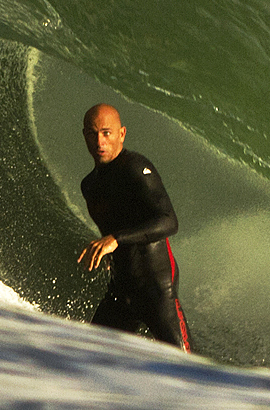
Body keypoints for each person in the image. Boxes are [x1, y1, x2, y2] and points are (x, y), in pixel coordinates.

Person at [77, 103, 192, 353]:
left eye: (106, 133)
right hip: (121, 291)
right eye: (92, 133)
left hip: (156, 290)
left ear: (122, 134)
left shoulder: (136, 168)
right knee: (87, 355)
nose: (99, 141)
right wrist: (111, 251)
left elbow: (168, 220)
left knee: (188, 368)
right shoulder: (89, 185)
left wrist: (116, 239)